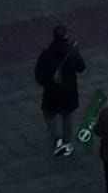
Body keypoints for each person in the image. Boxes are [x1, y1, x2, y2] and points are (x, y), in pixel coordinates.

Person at [34, 25, 86, 156]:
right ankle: (67, 142)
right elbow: (81, 68)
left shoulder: (46, 54)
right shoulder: (71, 53)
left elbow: (38, 74)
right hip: (68, 91)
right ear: (66, 36)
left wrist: (46, 83)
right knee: (66, 116)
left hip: (51, 91)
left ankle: (57, 139)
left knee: (49, 114)